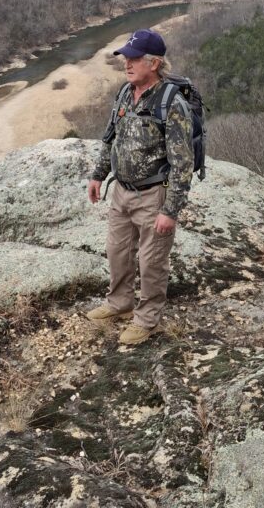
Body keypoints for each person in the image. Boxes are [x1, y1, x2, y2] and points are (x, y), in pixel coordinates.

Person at [86, 28, 194, 345]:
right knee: (117, 252)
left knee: (151, 262)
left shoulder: (171, 104)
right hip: (121, 191)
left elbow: (182, 163)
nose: (127, 64)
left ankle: (147, 319)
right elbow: (110, 137)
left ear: (155, 63)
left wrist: (170, 210)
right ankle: (119, 304)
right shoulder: (124, 92)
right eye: (126, 58)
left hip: (152, 194)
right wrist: (98, 175)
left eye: (134, 59)